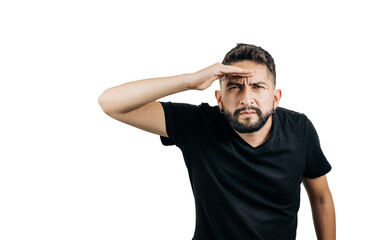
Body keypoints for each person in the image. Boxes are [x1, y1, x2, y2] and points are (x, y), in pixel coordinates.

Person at [98, 43, 336, 240]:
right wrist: (190, 81)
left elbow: (321, 198)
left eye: (257, 86)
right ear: (219, 100)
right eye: (234, 87)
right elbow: (110, 103)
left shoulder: (299, 130)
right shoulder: (198, 125)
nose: (246, 98)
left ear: (275, 98)